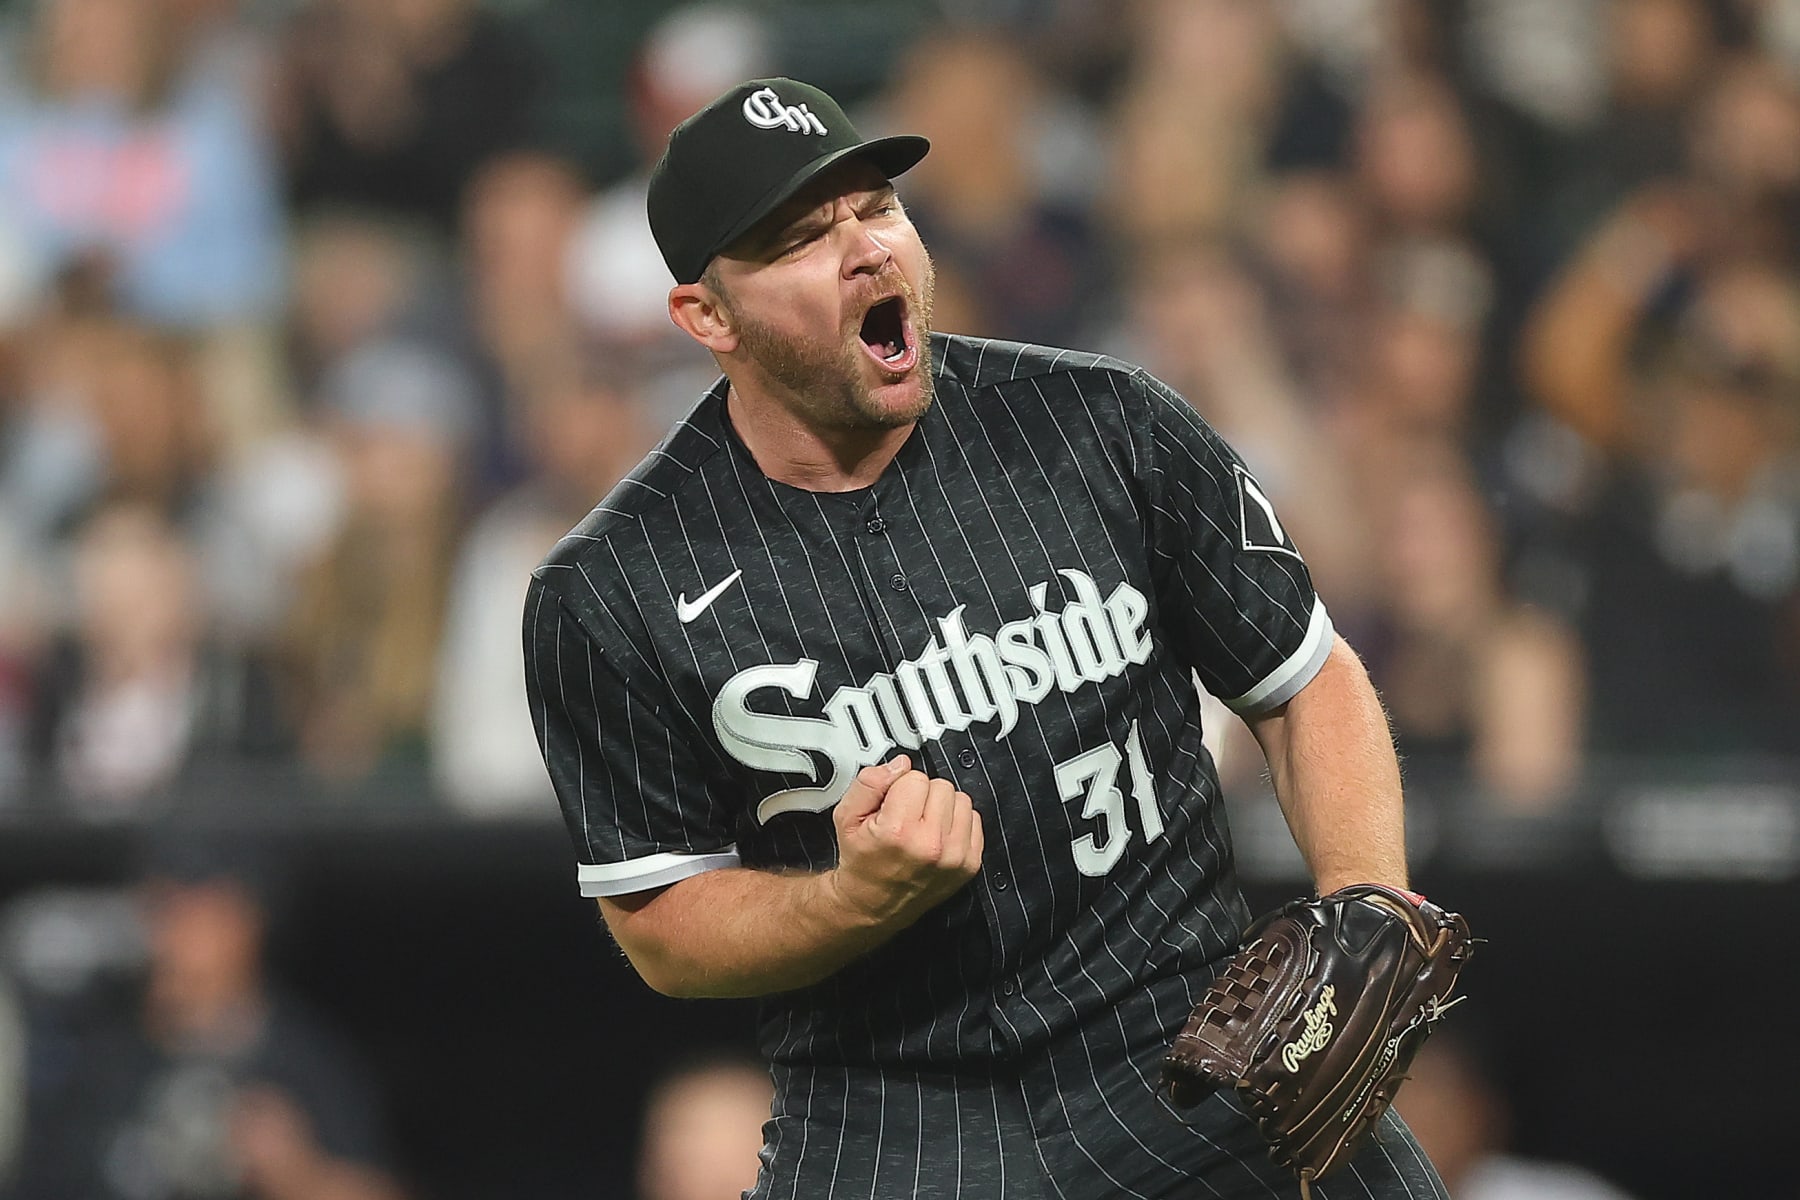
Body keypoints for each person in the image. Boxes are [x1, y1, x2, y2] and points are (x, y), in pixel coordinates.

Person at [524, 77, 1448, 1199]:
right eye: (804, 238)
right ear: (707, 316)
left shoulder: (1103, 422)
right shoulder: (612, 588)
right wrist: (845, 898)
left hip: (1185, 1041)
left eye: (878, 207)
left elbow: (1301, 678)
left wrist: (1369, 902)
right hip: (891, 1106)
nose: (865, 249)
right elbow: (661, 925)